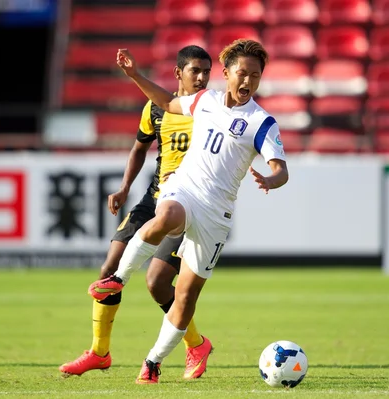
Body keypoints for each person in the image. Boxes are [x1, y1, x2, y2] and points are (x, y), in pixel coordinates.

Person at [88, 39, 289, 384]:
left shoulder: (261, 122)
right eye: (242, 74)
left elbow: (281, 168)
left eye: (255, 77)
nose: (248, 83)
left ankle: (152, 362)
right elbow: (166, 101)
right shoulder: (205, 100)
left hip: (217, 214)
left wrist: (272, 180)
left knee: (185, 296)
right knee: (165, 216)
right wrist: (135, 74)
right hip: (185, 189)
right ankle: (117, 279)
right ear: (226, 74)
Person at [60, 45, 214, 380]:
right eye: (195, 71)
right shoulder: (156, 109)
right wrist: (124, 188)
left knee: (157, 284)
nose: (202, 78)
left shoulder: (212, 111)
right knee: (108, 270)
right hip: (153, 198)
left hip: (188, 205)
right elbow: (139, 149)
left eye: (206, 71)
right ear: (178, 74)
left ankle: (196, 344)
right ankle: (99, 353)